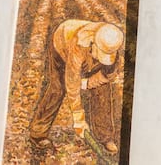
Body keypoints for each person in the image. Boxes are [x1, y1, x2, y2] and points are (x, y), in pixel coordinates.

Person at [29, 19, 126, 153]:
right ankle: (38, 133)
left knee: (103, 90)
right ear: (93, 43)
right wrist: (78, 118)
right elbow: (72, 81)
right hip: (62, 44)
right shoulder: (78, 45)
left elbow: (107, 75)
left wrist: (88, 83)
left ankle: (105, 137)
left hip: (88, 52)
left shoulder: (111, 42)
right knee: (58, 88)